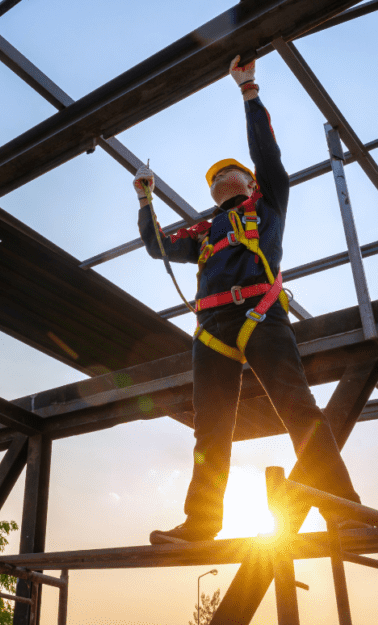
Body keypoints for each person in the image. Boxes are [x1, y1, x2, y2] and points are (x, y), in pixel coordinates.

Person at [133, 55, 361, 544]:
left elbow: (268, 156)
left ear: (250, 182)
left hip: (261, 315)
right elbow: (157, 246)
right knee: (209, 433)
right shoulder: (203, 232)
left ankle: (346, 513)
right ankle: (201, 524)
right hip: (212, 331)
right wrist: (145, 199)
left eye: (229, 171)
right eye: (214, 178)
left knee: (299, 410)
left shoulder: (269, 202)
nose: (220, 178)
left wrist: (249, 91)